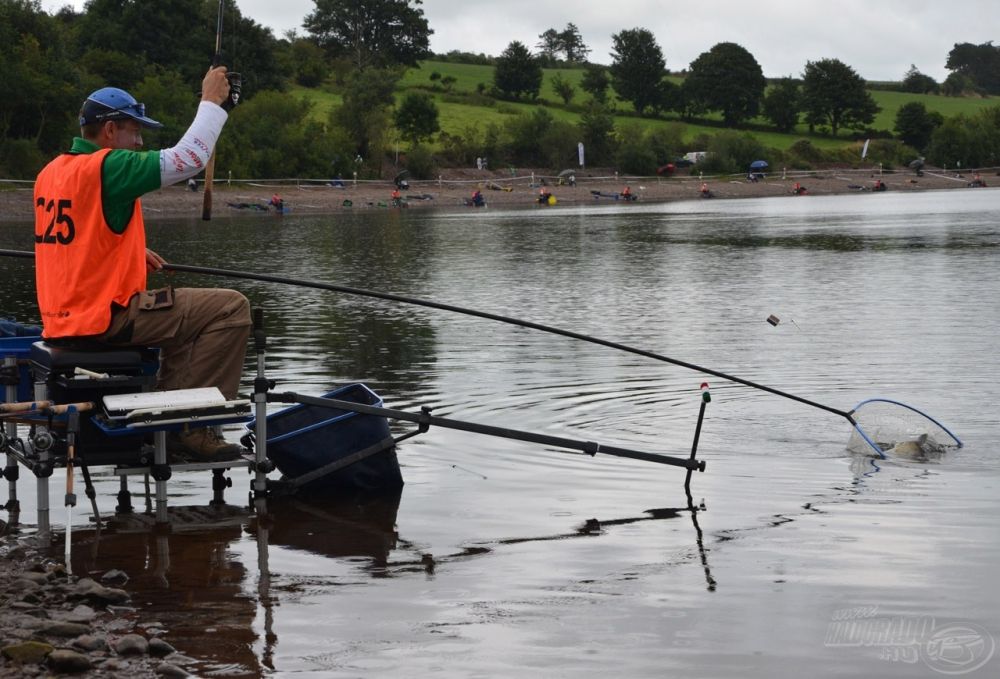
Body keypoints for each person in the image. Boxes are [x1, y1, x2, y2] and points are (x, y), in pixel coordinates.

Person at [32, 67, 250, 461]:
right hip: (106, 319)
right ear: (109, 131)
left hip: (63, 321)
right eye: (135, 131)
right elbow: (188, 159)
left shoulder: (51, 172)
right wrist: (212, 102)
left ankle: (169, 413)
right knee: (230, 308)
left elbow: (79, 239)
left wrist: (131, 252)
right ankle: (191, 427)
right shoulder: (108, 166)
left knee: (185, 316)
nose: (140, 141)